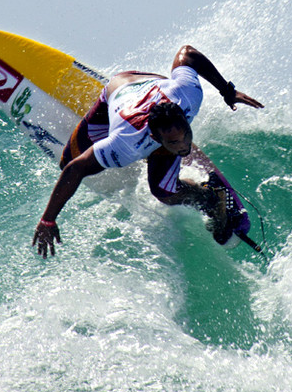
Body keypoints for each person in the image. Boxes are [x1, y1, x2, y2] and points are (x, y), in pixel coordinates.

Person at [32, 45, 264, 258]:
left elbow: (187, 53)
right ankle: (158, 155)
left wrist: (226, 91)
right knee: (66, 160)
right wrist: (48, 220)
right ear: (155, 138)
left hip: (154, 85)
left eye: (186, 137)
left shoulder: (188, 94)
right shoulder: (124, 143)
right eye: (175, 143)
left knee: (163, 192)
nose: (184, 147)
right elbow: (76, 168)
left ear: (185, 117)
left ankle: (210, 198)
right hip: (118, 89)